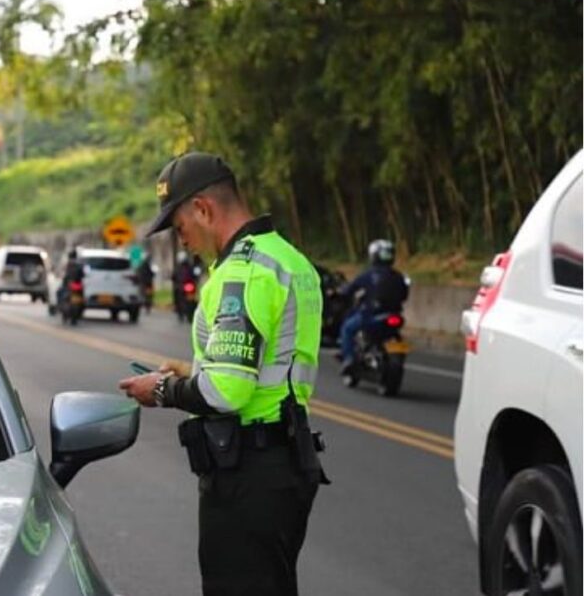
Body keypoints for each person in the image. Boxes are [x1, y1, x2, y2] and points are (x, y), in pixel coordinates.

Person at [118, 152, 326, 596]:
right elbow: (268, 366)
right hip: (285, 464)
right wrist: (193, 370)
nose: (182, 240)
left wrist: (161, 389)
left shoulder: (242, 274)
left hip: (249, 476)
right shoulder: (287, 258)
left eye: (179, 227)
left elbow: (226, 393)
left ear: (203, 209)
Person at [337, 239, 409, 375]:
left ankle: (349, 359)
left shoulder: (369, 274)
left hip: (372, 315)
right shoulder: (399, 276)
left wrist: (341, 292)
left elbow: (350, 289)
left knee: (347, 328)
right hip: (395, 315)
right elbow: (404, 295)